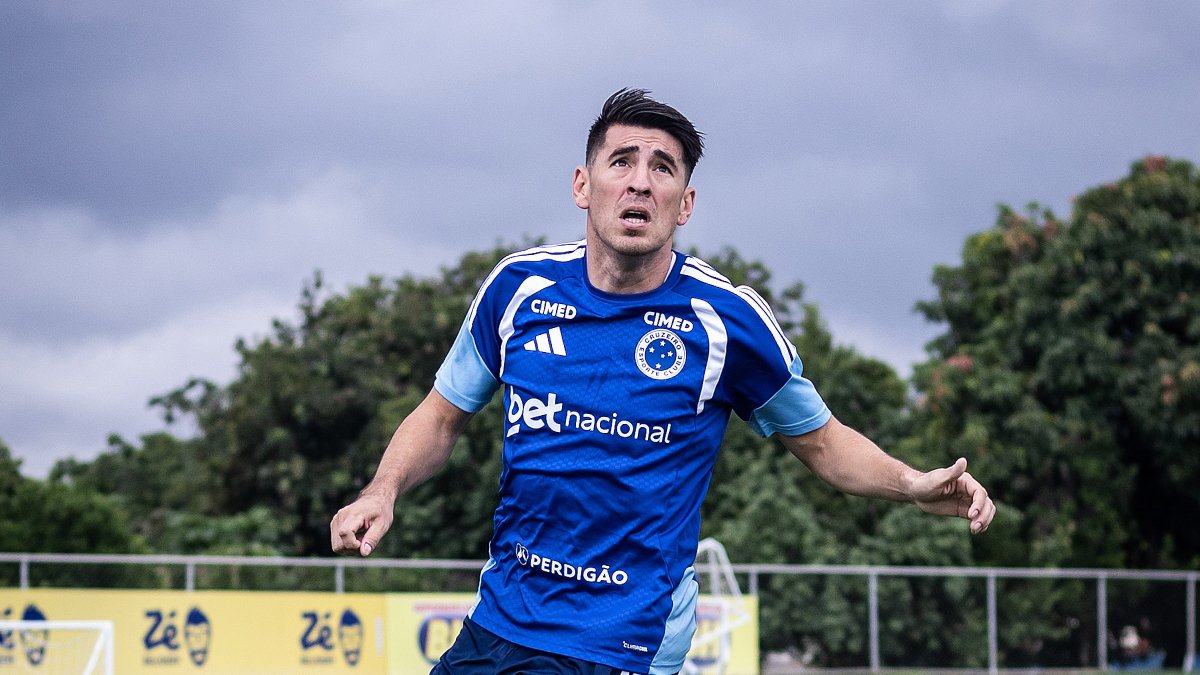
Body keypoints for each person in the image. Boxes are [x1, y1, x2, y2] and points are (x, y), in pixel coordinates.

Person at [330, 88, 996, 675]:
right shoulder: (517, 289)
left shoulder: (725, 321)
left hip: (623, 641)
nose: (640, 182)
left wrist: (911, 482)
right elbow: (442, 414)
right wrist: (383, 489)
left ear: (686, 203)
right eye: (621, 162)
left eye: (663, 168)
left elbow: (823, 443)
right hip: (501, 622)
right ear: (582, 185)